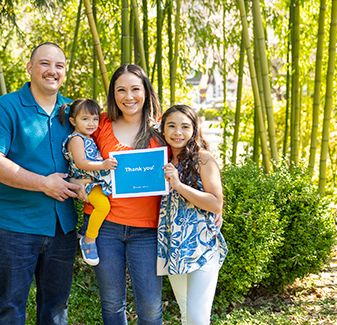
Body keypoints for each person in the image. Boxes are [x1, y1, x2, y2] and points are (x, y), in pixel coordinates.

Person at [0, 42, 81, 325]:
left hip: (62, 227)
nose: (52, 71)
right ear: (30, 67)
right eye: (45, 64)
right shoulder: (6, 107)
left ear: (65, 72)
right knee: (10, 308)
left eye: (59, 66)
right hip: (16, 226)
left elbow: (90, 155)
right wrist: (43, 184)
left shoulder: (73, 113)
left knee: (56, 310)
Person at [72, 64, 166, 324]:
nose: (128, 96)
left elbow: (194, 156)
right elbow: (74, 152)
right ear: (113, 94)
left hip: (147, 229)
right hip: (105, 227)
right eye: (120, 90)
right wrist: (77, 180)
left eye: (135, 89)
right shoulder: (99, 123)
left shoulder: (161, 131)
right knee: (112, 304)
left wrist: (216, 202)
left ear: (146, 92)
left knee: (150, 308)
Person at [157, 104, 228, 324]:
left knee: (198, 318)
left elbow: (216, 203)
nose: (177, 132)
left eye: (185, 126)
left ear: (194, 129)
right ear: (163, 129)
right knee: (187, 315)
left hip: (201, 247)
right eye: (171, 126)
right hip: (173, 246)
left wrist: (178, 185)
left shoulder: (203, 159)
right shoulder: (161, 159)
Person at [59, 98, 117, 266]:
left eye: (95, 119)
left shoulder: (89, 137)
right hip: (85, 182)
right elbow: (81, 162)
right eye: (85, 119)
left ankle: (85, 229)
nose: (91, 123)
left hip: (92, 180)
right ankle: (89, 239)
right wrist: (103, 164)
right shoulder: (76, 139)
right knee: (103, 206)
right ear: (73, 121)